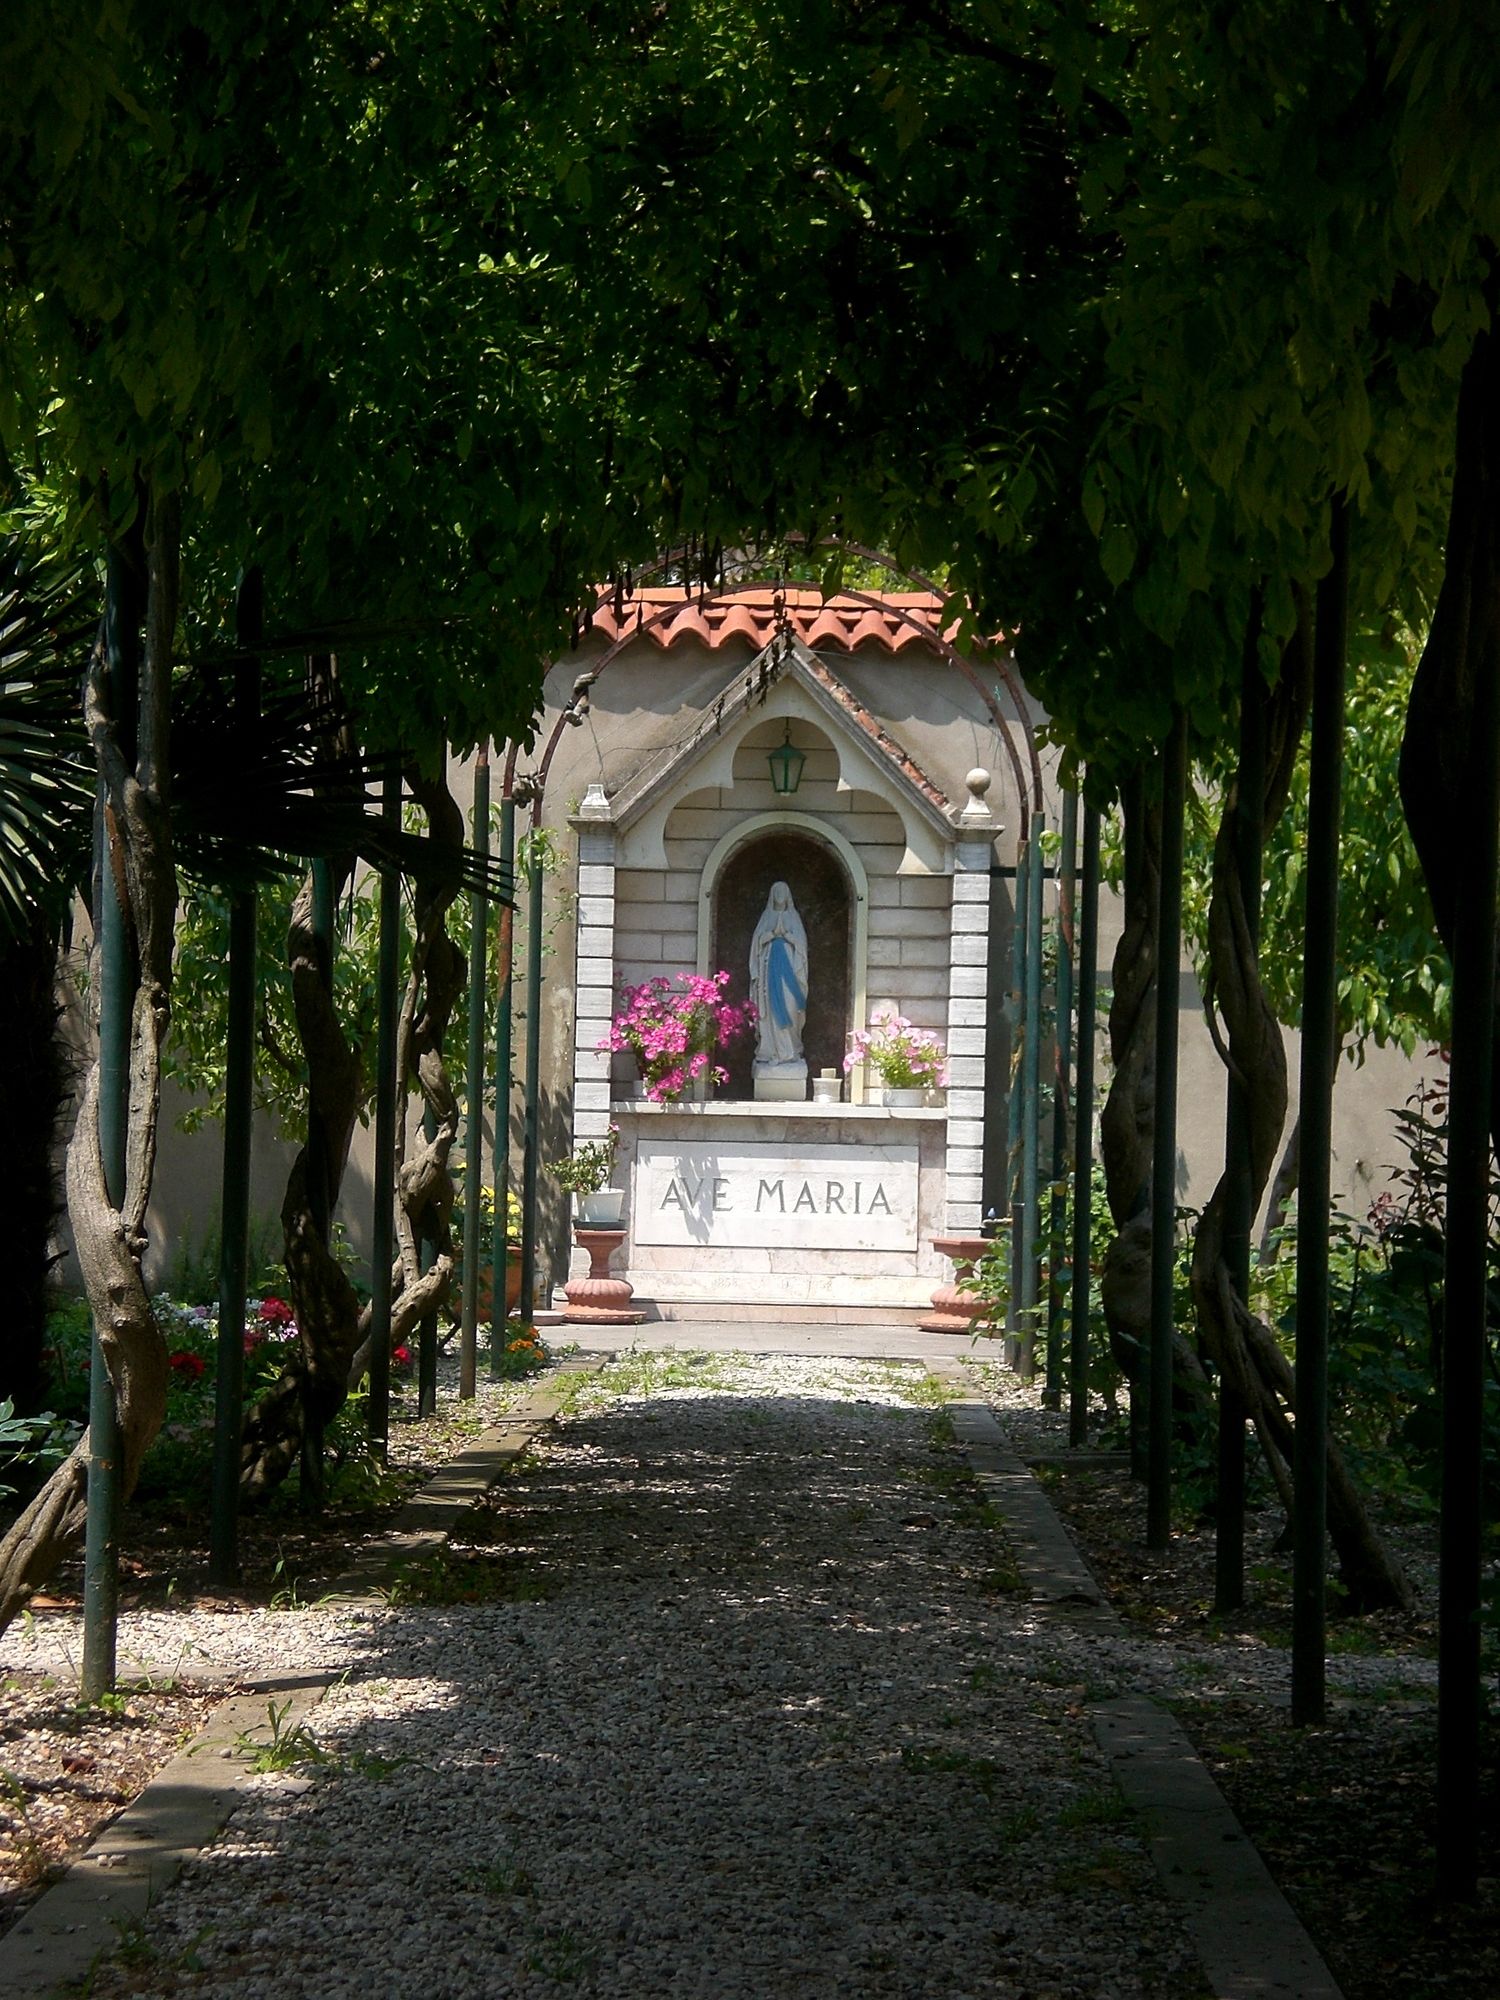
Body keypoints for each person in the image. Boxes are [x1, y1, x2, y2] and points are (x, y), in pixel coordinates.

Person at [749, 880, 808, 1071]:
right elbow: (757, 944)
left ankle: (790, 1050)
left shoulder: (793, 917)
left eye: (783, 891)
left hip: (789, 972)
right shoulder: (767, 916)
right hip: (769, 971)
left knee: (790, 1007)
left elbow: (801, 945)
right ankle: (771, 1051)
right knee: (771, 1009)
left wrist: (788, 937)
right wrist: (772, 934)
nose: (780, 895)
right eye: (777, 891)